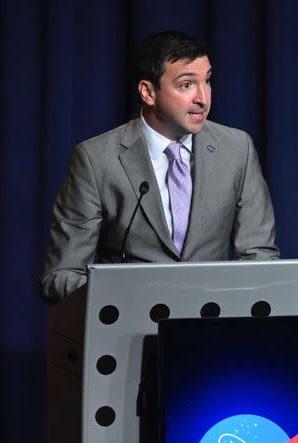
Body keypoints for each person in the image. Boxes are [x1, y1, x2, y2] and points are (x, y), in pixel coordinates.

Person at [41, 31, 279, 304]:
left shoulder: (237, 149)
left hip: (212, 330)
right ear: (148, 92)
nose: (203, 98)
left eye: (208, 81)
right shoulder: (96, 160)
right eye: (187, 85)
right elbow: (60, 276)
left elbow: (260, 258)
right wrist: (126, 297)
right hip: (129, 331)